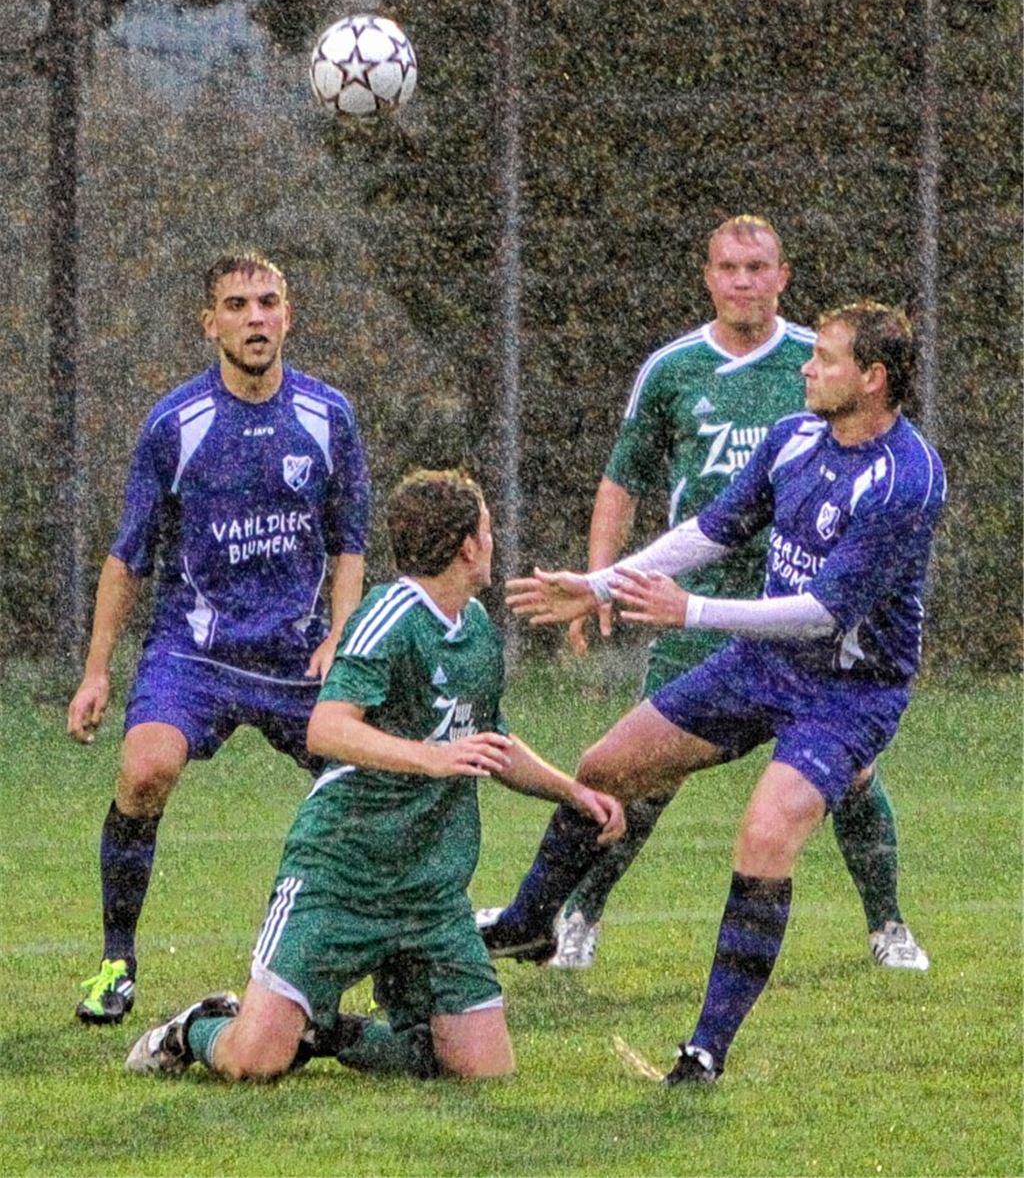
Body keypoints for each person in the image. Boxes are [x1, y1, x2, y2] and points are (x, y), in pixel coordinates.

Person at [495, 301, 945, 1082]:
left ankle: (704, 1052)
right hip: (761, 666)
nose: (807, 366)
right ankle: (529, 923)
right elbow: (713, 529)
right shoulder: (794, 438)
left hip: (849, 693)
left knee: (765, 840)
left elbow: (824, 613)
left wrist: (691, 610)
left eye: (826, 358)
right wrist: (601, 584)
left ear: (871, 379)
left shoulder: (907, 480)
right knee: (604, 768)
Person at [124, 469, 624, 1081]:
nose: (493, 543)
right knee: (252, 1063)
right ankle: (193, 1029)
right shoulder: (390, 617)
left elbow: (490, 743)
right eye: (488, 530)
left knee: (479, 1071)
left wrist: (573, 791)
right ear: (469, 544)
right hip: (341, 876)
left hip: (429, 893)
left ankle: (327, 1030)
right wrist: (432, 757)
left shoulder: (478, 631)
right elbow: (327, 728)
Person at [68, 251, 371, 1025]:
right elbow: (126, 555)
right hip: (194, 653)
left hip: (297, 658)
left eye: (268, 302)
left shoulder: (328, 415)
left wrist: (340, 636)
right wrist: (97, 671)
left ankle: (376, 956)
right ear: (211, 325)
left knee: (366, 788)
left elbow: (349, 544)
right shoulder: (175, 424)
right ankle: (116, 963)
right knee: (143, 771)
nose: (255, 318)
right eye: (236, 305)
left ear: (289, 315)